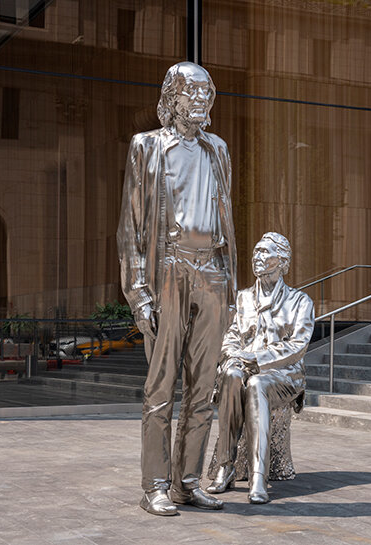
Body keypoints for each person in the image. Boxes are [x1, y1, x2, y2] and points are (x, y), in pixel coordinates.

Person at [117, 62, 237, 516]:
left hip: (213, 274)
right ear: (172, 98)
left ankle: (189, 481)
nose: (203, 99)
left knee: (204, 387)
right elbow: (129, 228)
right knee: (162, 385)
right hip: (168, 268)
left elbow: (227, 217)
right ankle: (155, 485)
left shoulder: (218, 150)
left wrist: (230, 288)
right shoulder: (146, 147)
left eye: (208, 92)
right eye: (193, 92)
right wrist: (139, 293)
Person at [207, 232, 314, 504]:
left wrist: (257, 360)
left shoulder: (300, 301)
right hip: (243, 365)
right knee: (231, 375)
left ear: (282, 261)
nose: (257, 256)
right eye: (256, 251)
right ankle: (226, 466)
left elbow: (297, 347)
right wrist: (232, 356)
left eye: (265, 252)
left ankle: (258, 475)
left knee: (257, 384)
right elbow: (230, 336)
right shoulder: (243, 298)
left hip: (283, 374)